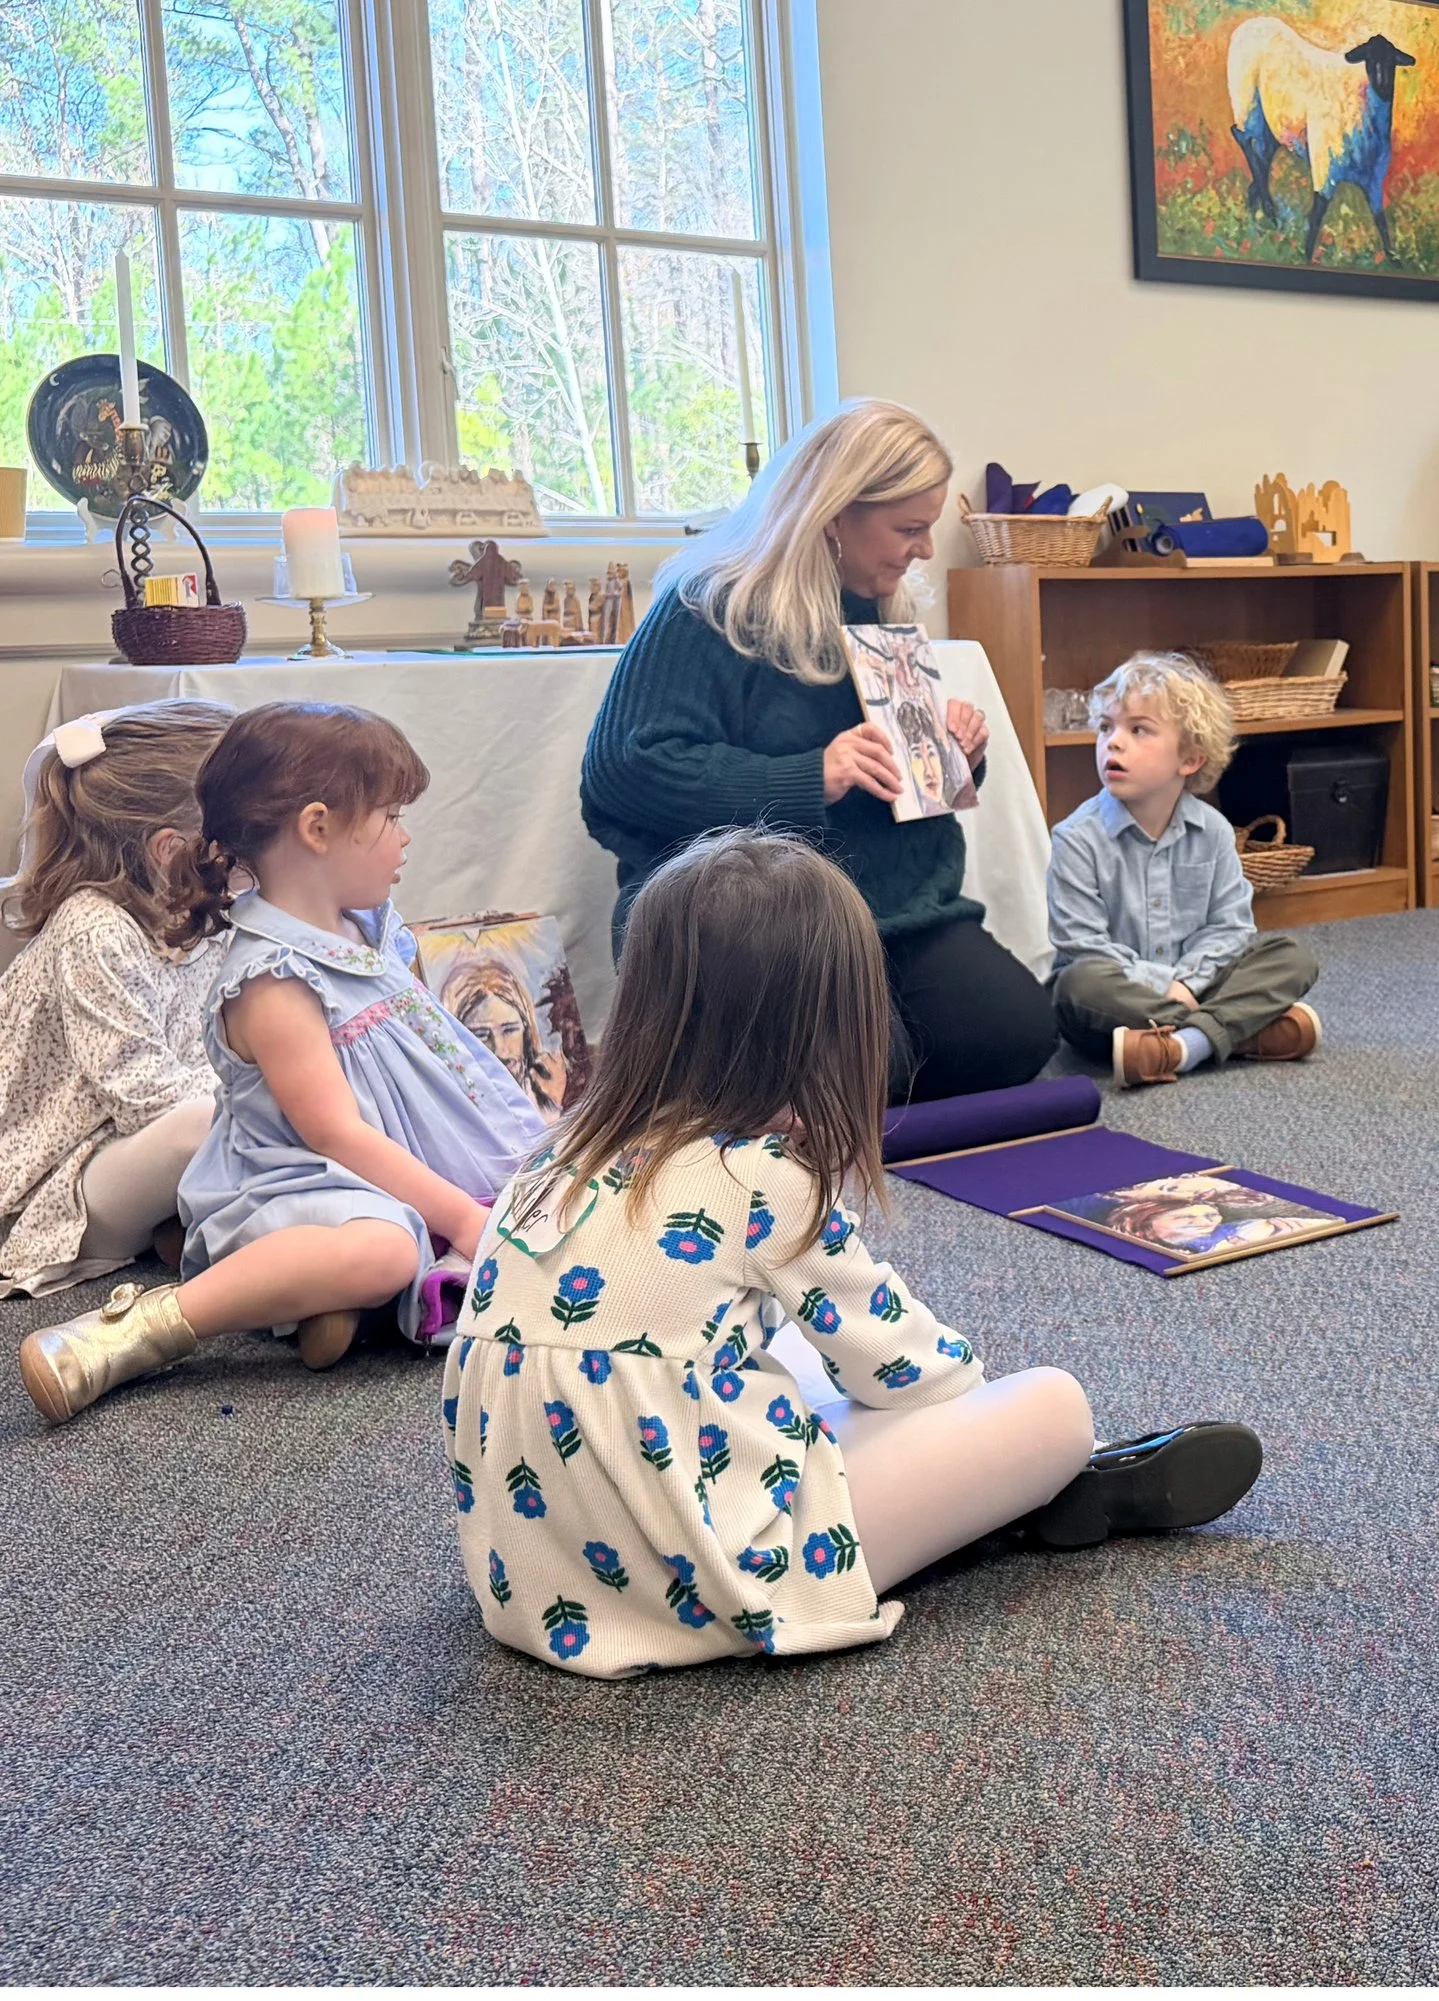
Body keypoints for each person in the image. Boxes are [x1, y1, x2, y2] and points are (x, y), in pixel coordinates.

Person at [443, 829, 1264, 1678]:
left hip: (536, 1578)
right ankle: (1042, 1492)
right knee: (1052, 1407)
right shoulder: (761, 1176)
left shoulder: (556, 1153)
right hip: (699, 1580)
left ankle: (1005, 1506)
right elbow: (922, 1375)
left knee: (782, 1348)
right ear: (822, 1026)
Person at [18, 703, 544, 1424]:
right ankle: (140, 1329)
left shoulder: (366, 924)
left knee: (519, 1188)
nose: (405, 834)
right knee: (392, 1248)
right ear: (318, 828)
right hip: (283, 1180)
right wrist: (459, 1216)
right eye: (389, 816)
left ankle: (322, 1304)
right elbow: (333, 1134)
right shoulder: (273, 979)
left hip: (366, 1166)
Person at [579, 397, 1054, 1105]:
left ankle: (803, 1069)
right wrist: (812, 776)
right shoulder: (706, 606)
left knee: (1017, 1032)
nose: (925, 549)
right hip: (755, 919)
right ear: (835, 514)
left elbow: (908, 789)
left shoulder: (878, 603)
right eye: (910, 529)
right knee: (869, 1071)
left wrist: (954, 756)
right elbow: (622, 773)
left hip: (890, 908)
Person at [0, 701, 232, 1297]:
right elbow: (145, 1099)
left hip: (130, 1145)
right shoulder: (96, 929)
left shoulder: (203, 914)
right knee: (205, 1125)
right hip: (56, 1184)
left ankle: (211, 1234)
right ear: (170, 849)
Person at [1048, 654, 1321, 1087]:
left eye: (1138, 730)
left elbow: (1230, 927)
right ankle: (1236, 1032)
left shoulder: (1212, 830)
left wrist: (1190, 984)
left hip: (1198, 983)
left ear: (1190, 759)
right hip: (1117, 1005)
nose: (1113, 743)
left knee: (1292, 957)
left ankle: (1177, 1048)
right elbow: (1084, 947)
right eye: (1106, 727)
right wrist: (1169, 987)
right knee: (1076, 987)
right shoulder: (1076, 838)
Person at [439, 954, 569, 1119]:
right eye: (481, 1034)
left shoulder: (550, 1089)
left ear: (526, 1030)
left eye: (509, 1030)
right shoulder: (456, 1111)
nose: (500, 1049)